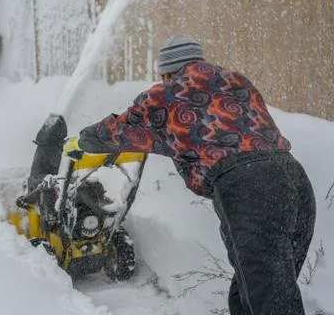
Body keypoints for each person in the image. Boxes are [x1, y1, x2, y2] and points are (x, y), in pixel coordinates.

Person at [63, 34, 316, 314]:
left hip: (248, 185)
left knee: (268, 296)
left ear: (168, 70)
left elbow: (119, 130)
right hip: (293, 178)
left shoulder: (168, 93)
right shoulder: (236, 80)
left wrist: (83, 141)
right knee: (262, 286)